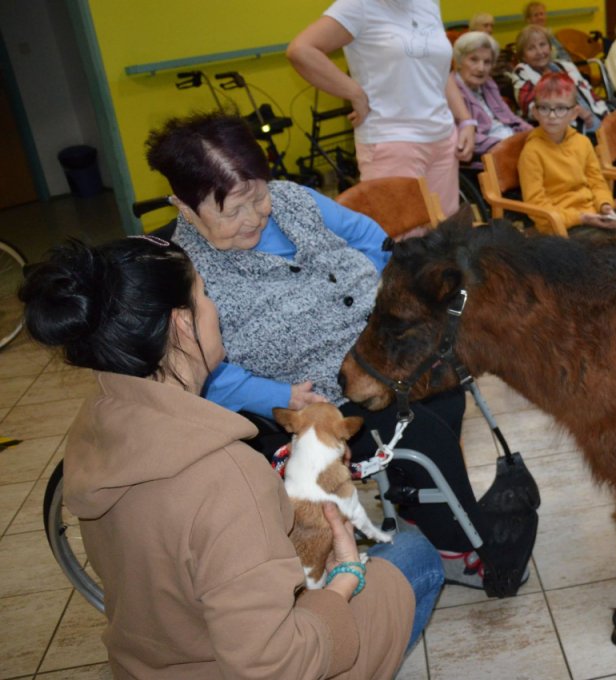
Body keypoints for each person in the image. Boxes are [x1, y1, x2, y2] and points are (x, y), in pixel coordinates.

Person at [19, 236, 442, 677]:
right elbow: (276, 667)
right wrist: (344, 581)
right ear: (183, 323)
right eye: (205, 293)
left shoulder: (93, 430)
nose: (214, 307)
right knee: (413, 553)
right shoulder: (227, 476)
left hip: (151, 663)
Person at [145, 112, 510, 589]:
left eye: (258, 196)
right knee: (419, 435)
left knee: (443, 392)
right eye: (232, 211)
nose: (254, 217)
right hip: (313, 401)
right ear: (184, 206)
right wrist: (277, 396)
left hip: (374, 356)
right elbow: (195, 369)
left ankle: (421, 509)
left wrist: (382, 289)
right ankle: (459, 546)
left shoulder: (295, 200)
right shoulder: (180, 268)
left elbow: (370, 238)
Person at [286, 0, 476, 216]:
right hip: (393, 140)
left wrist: (465, 119)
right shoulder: (358, 6)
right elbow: (301, 50)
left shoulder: (429, 3)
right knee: (402, 231)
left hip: (443, 138)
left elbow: (439, 70)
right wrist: (354, 93)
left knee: (447, 228)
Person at [518, 72, 616, 236]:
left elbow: (597, 181)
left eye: (561, 108)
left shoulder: (583, 142)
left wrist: (605, 205)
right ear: (535, 112)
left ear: (574, 113)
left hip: (592, 213)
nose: (552, 116)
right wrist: (580, 218)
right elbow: (536, 205)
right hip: (559, 224)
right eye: (544, 108)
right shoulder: (531, 152)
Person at [510, 25, 609, 130]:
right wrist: (575, 111)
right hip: (564, 130)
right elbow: (532, 109)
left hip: (597, 119)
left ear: (550, 47)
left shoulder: (566, 66)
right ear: (523, 56)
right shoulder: (522, 73)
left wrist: (605, 113)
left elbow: (590, 93)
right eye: (531, 48)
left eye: (542, 45)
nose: (539, 52)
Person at [450, 31, 533, 155]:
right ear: (460, 61)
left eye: (487, 62)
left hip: (512, 142)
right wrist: (508, 144)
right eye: (474, 60)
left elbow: (510, 117)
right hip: (489, 154)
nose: (481, 68)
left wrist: (532, 133)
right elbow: (463, 137)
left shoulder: (488, 83)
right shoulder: (451, 91)